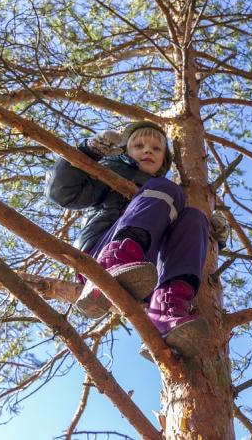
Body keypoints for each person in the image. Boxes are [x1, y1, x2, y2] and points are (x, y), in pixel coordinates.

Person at [45, 121, 227, 356]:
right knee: (166, 189)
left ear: (164, 160)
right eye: (139, 146)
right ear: (124, 152)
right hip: (98, 255)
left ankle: (166, 307)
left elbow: (181, 244)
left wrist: (213, 236)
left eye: (156, 148)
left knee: (194, 217)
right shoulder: (112, 172)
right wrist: (89, 150)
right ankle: (114, 260)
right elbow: (62, 192)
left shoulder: (168, 197)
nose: (148, 150)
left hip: (145, 273)